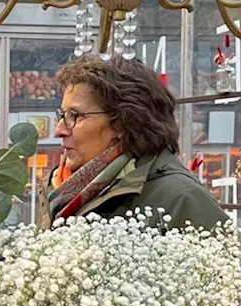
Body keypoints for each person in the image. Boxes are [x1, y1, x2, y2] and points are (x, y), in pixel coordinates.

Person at [48, 57, 228, 229]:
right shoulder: (62, 187)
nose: (59, 130)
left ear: (121, 122)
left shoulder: (183, 199)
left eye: (75, 116)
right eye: (62, 115)